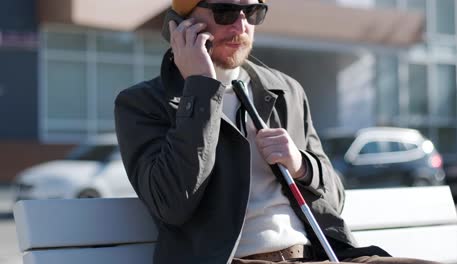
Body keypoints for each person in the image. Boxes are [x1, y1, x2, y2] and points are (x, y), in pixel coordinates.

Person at [114, 0, 440, 263]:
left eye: (253, 11)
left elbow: (335, 198)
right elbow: (171, 202)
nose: (241, 25)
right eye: (225, 11)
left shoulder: (285, 91)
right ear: (180, 25)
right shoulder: (143, 104)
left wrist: (301, 164)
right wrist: (200, 89)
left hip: (320, 254)